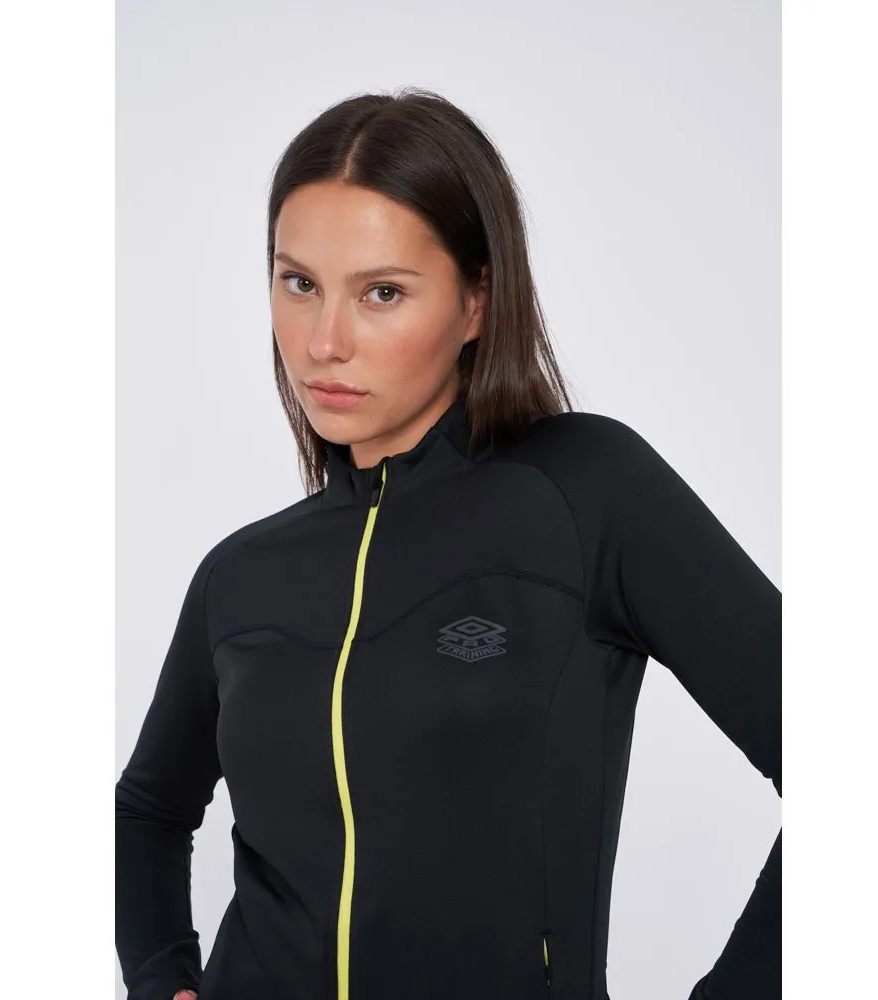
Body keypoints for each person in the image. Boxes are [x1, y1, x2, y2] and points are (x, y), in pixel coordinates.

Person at [115, 88, 781, 1000]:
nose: (324, 342)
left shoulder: (585, 493)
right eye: (299, 283)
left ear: (477, 301)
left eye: (382, 293)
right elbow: (148, 810)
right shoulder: (241, 574)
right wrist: (160, 979)